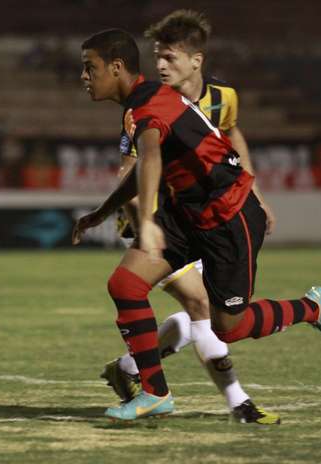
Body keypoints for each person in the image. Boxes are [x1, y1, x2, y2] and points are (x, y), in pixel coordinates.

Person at [74, 28, 321, 421]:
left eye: (89, 67)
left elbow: (150, 158)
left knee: (228, 326)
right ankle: (155, 393)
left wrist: (146, 219)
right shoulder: (142, 104)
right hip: (189, 213)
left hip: (229, 215)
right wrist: (101, 212)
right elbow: (141, 167)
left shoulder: (150, 104)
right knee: (125, 284)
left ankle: (311, 307)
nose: (84, 76)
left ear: (116, 67)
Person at [102, 10, 279, 424]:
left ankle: (128, 369)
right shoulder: (145, 108)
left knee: (197, 318)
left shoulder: (222, 97)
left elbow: (231, 137)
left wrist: (256, 193)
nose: (160, 66)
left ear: (195, 60)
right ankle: (239, 404)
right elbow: (132, 168)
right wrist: (145, 223)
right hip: (162, 226)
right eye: (157, 57)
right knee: (201, 305)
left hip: (205, 219)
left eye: (170, 58)